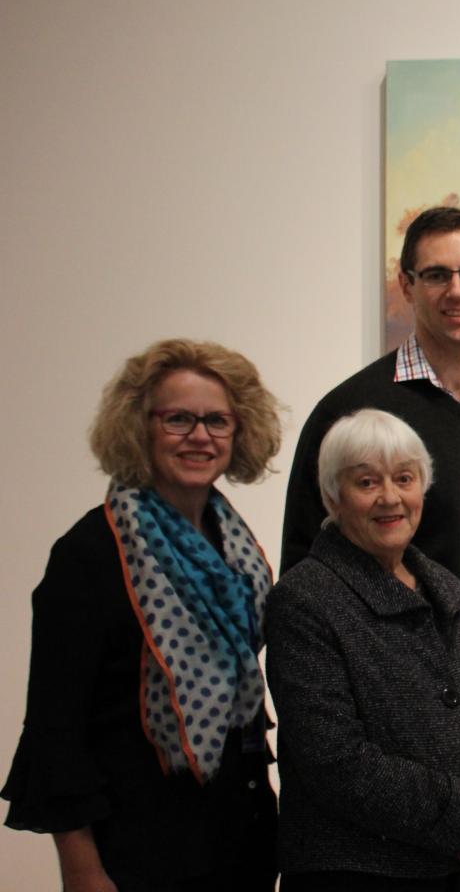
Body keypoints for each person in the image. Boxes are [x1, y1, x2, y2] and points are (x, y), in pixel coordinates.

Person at [279, 206, 460, 890]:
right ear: (405, 284)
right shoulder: (349, 411)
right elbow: (303, 561)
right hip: (375, 730)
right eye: (435, 274)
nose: (456, 290)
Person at [2, 339, 284, 892]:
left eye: (217, 421)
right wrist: (81, 869)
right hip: (137, 853)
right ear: (140, 426)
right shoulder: (90, 553)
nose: (200, 436)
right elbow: (56, 729)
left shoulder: (236, 551)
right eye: (178, 419)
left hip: (238, 839)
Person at [266, 409, 460, 892]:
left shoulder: (448, 590)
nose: (390, 498)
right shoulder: (303, 600)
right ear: (332, 496)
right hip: (356, 872)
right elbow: (333, 759)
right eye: (367, 482)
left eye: (404, 479)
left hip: (455, 867)